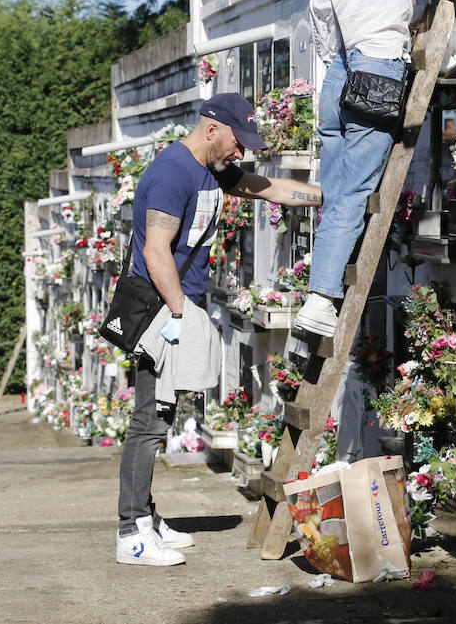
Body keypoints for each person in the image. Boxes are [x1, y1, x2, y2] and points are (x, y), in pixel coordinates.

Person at [116, 93, 322, 566]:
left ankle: (146, 517)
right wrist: (180, 316)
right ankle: (131, 532)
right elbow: (155, 252)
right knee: (148, 420)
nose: (241, 153)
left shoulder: (211, 169)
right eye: (237, 141)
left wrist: (331, 195)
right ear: (212, 129)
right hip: (157, 310)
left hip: (176, 307)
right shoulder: (173, 172)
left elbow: (268, 188)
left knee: (161, 417)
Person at [295, 0, 456, 341]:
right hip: (376, 75)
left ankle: (322, 280)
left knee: (334, 196)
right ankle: (322, 298)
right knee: (355, 193)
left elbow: (326, 41)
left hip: (337, 82)